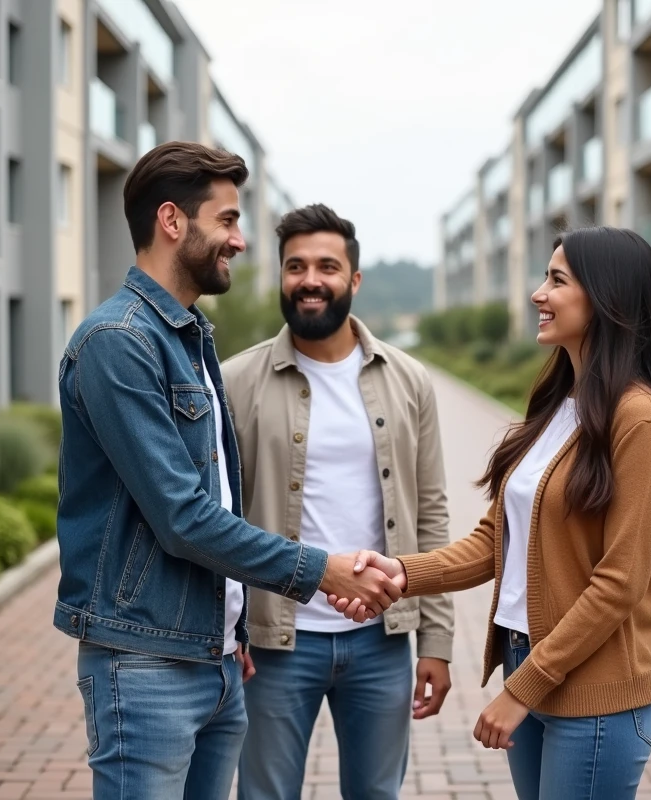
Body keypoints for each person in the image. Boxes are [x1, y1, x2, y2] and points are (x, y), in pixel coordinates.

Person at [52, 142, 402, 800]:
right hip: (145, 660)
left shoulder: (189, 338)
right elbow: (183, 516)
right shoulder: (118, 343)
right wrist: (318, 569)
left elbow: (220, 496)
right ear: (173, 222)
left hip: (213, 659)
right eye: (228, 220)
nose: (240, 241)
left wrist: (232, 627)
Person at [338, 226, 651, 800]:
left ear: (607, 298)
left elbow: (619, 583)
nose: (538, 293)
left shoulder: (641, 420)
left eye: (556, 280)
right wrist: (401, 574)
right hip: (526, 658)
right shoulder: (561, 405)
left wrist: (523, 689)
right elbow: (496, 539)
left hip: (595, 693)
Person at [221, 204, 455, 800]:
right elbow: (214, 518)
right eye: (295, 266)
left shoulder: (408, 381)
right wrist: (227, 631)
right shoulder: (236, 382)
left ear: (353, 280)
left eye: (327, 265)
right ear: (280, 277)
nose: (310, 279)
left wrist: (437, 641)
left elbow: (430, 513)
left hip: (381, 642)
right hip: (274, 643)